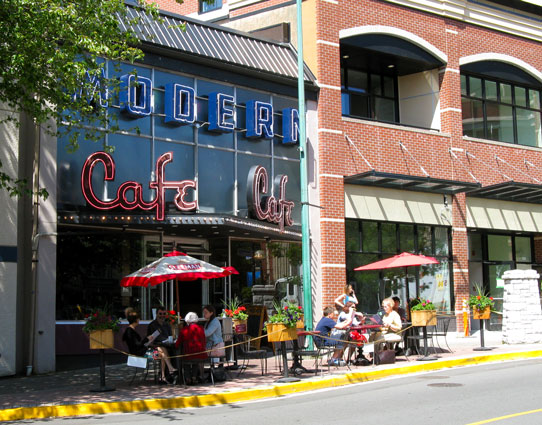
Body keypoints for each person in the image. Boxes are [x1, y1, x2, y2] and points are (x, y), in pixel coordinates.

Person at [122, 310, 177, 384]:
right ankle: (168, 371)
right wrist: (147, 339)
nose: (139, 320)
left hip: (142, 351)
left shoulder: (130, 330)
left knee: (161, 350)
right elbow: (137, 344)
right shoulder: (130, 331)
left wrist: (148, 341)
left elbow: (138, 344)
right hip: (140, 354)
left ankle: (164, 375)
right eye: (138, 318)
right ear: (136, 320)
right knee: (162, 351)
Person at [176, 312, 206, 385]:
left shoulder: (184, 330)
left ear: (187, 321)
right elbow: (204, 341)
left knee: (186, 363)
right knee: (195, 362)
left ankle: (187, 378)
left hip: (188, 355)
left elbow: (177, 343)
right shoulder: (201, 328)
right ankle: (194, 377)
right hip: (200, 355)